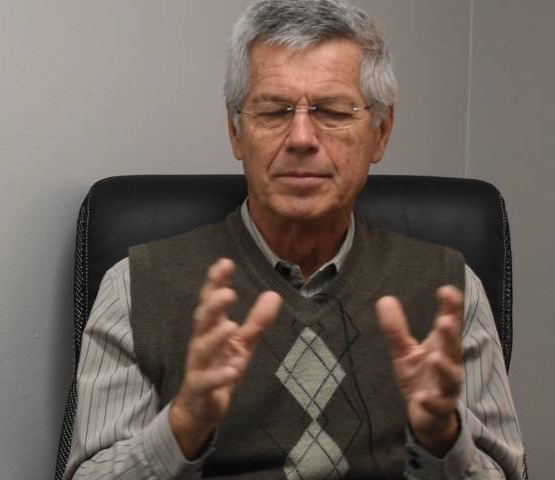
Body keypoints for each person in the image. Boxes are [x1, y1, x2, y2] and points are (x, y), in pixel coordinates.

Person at [64, 0, 525, 478]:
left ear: (380, 132)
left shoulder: (450, 290)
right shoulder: (136, 287)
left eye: (331, 111)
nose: (301, 137)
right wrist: (183, 425)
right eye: (274, 111)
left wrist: (443, 439)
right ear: (236, 132)